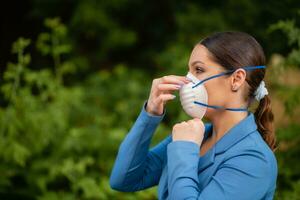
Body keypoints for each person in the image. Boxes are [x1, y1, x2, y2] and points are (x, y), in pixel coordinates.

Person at [109, 31, 278, 200]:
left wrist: (185, 149)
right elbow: (124, 180)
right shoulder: (197, 136)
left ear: (236, 79)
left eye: (199, 70)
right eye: (189, 71)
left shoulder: (253, 160)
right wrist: (150, 114)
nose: (188, 81)